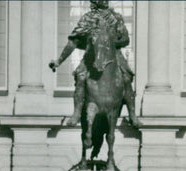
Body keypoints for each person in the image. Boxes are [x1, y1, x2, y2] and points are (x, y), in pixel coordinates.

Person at [49, 0, 141, 128]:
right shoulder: (88, 18)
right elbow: (73, 42)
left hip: (114, 54)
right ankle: (76, 113)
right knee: (81, 76)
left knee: (126, 77)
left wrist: (109, 42)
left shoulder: (116, 17)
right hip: (91, 56)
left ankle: (132, 114)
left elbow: (126, 39)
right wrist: (59, 61)